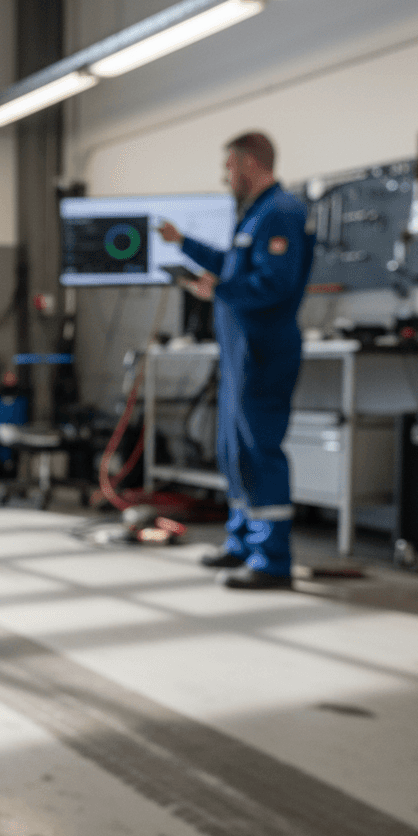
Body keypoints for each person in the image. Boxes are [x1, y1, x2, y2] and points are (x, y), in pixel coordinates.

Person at [158, 132, 315, 589]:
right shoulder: (255, 214)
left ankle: (271, 560)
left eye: (229, 166)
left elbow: (275, 284)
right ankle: (243, 543)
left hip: (264, 350)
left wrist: (219, 290)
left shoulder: (282, 211)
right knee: (233, 452)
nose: (225, 175)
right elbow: (232, 266)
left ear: (249, 163)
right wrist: (183, 243)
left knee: (258, 450)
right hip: (239, 353)